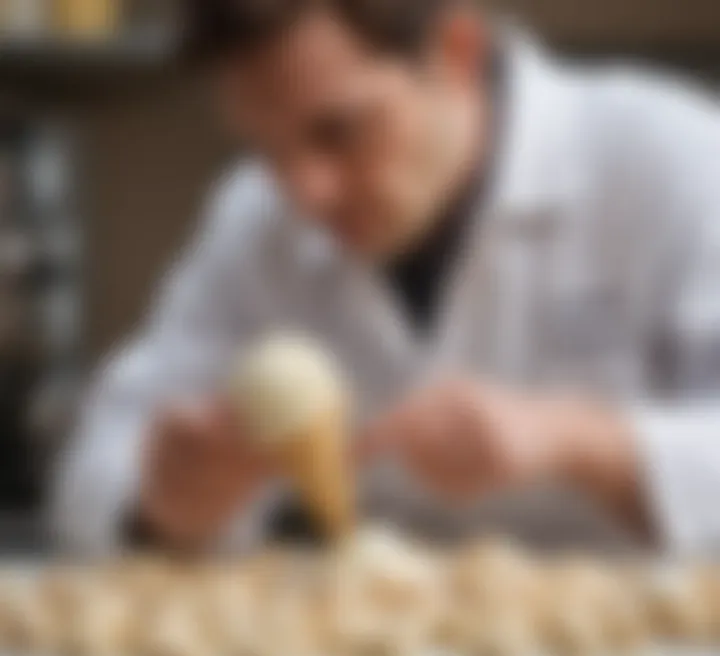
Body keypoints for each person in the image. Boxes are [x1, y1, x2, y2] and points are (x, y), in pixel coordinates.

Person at [51, 0, 720, 556]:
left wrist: (585, 444)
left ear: (456, 52)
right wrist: (165, 502)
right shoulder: (255, 219)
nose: (306, 195)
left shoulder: (672, 161)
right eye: (266, 148)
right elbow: (91, 475)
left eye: (339, 132)